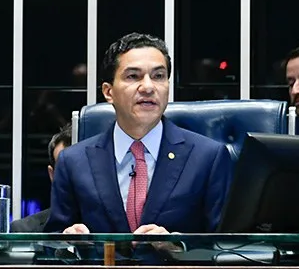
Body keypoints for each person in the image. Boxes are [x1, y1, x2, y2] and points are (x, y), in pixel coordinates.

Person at [45, 33, 232, 235]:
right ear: (108, 92)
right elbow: (52, 246)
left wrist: (181, 248)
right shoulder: (73, 161)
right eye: (133, 76)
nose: (148, 87)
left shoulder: (208, 157)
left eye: (158, 76)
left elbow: (225, 249)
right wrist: (69, 245)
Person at [10, 124, 71, 233]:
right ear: (52, 174)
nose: (74, 177)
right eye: (64, 168)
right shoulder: (24, 231)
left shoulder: (110, 227)